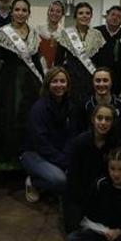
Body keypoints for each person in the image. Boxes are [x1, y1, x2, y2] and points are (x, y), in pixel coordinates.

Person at [0, 0, 44, 172]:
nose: (20, 13)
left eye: (24, 10)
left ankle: (26, 160)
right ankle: (7, 162)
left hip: (30, 83)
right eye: (17, 10)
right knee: (8, 118)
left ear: (29, 13)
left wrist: (43, 82)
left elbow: (35, 60)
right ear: (12, 12)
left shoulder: (34, 33)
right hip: (8, 81)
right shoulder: (3, 32)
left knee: (29, 118)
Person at [64, 103, 121, 232]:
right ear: (92, 119)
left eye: (108, 119)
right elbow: (73, 180)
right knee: (74, 233)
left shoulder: (115, 145)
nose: (103, 122)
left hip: (102, 194)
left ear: (113, 122)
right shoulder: (80, 142)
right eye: (99, 118)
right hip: (78, 195)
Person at [21, 67, 73, 202]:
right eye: (54, 81)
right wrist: (63, 162)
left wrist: (67, 158)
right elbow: (41, 143)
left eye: (62, 81)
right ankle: (33, 182)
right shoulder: (39, 109)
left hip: (57, 154)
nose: (59, 85)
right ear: (48, 84)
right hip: (34, 154)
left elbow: (71, 135)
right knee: (61, 181)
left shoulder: (70, 106)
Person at [54, 2, 104, 114]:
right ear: (75, 16)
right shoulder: (65, 34)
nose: (84, 16)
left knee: (90, 112)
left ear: (91, 16)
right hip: (71, 79)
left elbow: (101, 61)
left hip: (91, 80)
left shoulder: (97, 35)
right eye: (81, 13)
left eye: (87, 13)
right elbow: (58, 61)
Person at [95, 5, 121, 94]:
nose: (115, 18)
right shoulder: (95, 32)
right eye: (113, 15)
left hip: (118, 81)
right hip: (98, 79)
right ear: (107, 16)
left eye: (119, 16)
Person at [77, 68, 121, 135]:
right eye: (98, 81)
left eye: (105, 80)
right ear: (93, 83)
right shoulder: (84, 105)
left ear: (111, 83)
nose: (101, 84)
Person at [36, 0, 65, 70]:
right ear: (48, 13)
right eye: (52, 10)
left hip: (56, 69)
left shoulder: (64, 34)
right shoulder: (38, 29)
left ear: (62, 15)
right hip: (39, 68)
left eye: (58, 11)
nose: (54, 13)